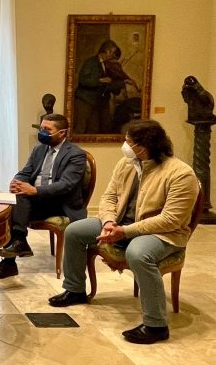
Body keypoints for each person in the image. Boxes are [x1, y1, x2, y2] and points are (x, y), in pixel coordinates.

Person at [48, 120, 199, 344]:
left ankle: (156, 325)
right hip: (119, 222)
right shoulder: (126, 163)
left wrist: (125, 231)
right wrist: (109, 221)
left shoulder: (181, 174)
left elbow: (171, 220)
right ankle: (75, 290)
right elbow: (109, 197)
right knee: (74, 231)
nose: (125, 145)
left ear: (144, 145)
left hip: (163, 233)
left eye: (129, 141)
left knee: (138, 253)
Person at [0, 113, 86, 279]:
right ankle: (18, 243)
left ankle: (11, 259)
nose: (42, 132)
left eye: (47, 129)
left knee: (18, 201)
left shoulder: (76, 154)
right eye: (41, 128)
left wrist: (35, 191)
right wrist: (17, 181)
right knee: (13, 202)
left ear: (62, 133)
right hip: (37, 200)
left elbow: (66, 185)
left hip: (61, 204)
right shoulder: (39, 149)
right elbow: (25, 172)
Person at [73, 39, 118, 133]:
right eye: (111, 52)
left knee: (93, 129)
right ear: (104, 50)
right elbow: (83, 80)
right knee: (80, 127)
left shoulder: (105, 64)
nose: (112, 55)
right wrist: (101, 80)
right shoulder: (90, 62)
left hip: (95, 101)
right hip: (84, 100)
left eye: (113, 53)